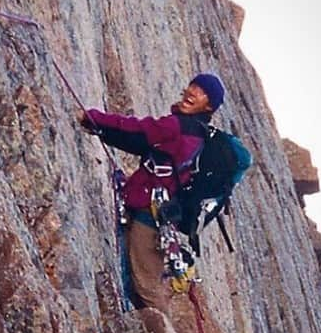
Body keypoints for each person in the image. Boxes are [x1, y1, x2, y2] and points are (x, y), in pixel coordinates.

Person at [79, 73, 225, 314]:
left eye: (201, 92)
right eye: (193, 85)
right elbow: (140, 143)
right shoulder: (197, 133)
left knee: (148, 288)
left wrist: (94, 118)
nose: (192, 92)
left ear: (208, 106)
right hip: (158, 212)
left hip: (149, 216)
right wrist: (100, 131)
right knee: (143, 283)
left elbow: (137, 129)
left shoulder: (178, 126)